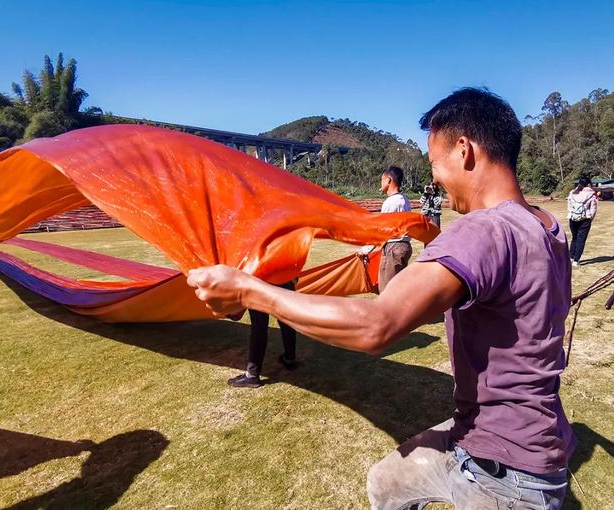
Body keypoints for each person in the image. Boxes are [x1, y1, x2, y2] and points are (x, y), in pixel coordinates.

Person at [188, 88, 574, 509]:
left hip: (504, 474)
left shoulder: (483, 230)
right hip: (512, 438)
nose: (435, 180)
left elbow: (376, 325)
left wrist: (249, 291)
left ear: (464, 150)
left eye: (434, 163)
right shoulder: (547, 226)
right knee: (387, 482)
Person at [227, 280, 298, 388]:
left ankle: (252, 375)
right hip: (284, 277)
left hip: (259, 280)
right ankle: (289, 358)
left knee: (259, 326)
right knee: (286, 320)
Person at [378, 166, 412, 292]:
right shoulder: (404, 200)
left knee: (387, 290)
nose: (381, 183)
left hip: (394, 247)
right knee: (397, 289)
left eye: (382, 179)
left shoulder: (391, 202)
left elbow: (383, 229)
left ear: (388, 180)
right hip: (402, 246)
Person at [567, 175, 598, 267]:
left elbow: (569, 206)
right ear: (588, 184)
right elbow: (593, 209)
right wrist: (590, 218)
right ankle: (576, 261)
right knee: (581, 240)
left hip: (573, 218)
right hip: (585, 219)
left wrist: (571, 214)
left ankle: (570, 257)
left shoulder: (573, 193)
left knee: (574, 238)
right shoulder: (591, 195)